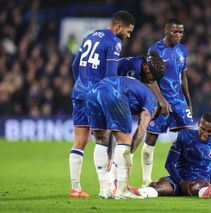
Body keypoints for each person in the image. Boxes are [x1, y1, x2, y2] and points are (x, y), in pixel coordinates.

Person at [69, 11, 135, 198]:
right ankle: (106, 188)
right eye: (128, 31)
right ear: (118, 27)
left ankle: (75, 188)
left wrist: (82, 83)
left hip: (80, 92)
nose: (128, 35)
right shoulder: (114, 41)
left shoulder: (89, 36)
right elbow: (111, 75)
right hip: (98, 95)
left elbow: (75, 66)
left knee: (79, 141)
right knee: (103, 138)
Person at [93, 51, 166, 198]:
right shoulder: (130, 69)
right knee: (123, 141)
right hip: (112, 91)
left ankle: (105, 189)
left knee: (102, 140)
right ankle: (120, 189)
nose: (151, 82)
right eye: (153, 78)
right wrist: (129, 156)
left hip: (94, 92)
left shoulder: (138, 80)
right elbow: (141, 129)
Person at [141, 18, 194, 187]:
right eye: (174, 31)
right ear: (166, 30)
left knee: (188, 137)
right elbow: (149, 79)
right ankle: (146, 179)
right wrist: (161, 100)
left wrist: (188, 101)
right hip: (160, 101)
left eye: (181, 32)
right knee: (151, 137)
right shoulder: (155, 50)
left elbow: (183, 77)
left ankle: (187, 176)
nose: (178, 35)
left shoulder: (182, 50)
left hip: (178, 100)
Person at [138, 112, 211, 198]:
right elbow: (169, 163)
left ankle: (207, 191)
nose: (205, 133)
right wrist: (181, 182)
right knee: (157, 186)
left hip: (199, 182)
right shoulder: (184, 135)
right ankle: (138, 193)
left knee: (200, 186)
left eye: (209, 131)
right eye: (202, 129)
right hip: (177, 179)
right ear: (199, 123)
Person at [118, 51, 171, 118]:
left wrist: (162, 100)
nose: (153, 81)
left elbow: (151, 82)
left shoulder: (145, 64)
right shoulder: (135, 68)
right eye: (153, 77)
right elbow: (122, 90)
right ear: (146, 69)